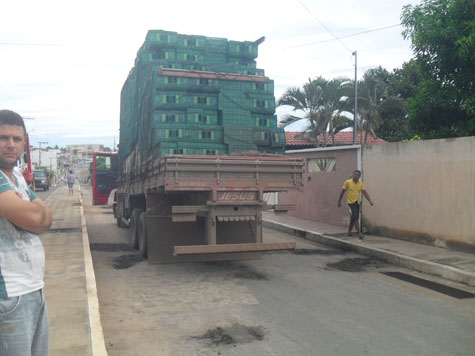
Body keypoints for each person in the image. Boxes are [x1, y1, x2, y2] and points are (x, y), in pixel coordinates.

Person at [0, 110, 52, 356]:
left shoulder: (17, 177)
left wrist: (30, 216)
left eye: (16, 139)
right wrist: (32, 216)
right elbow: (35, 217)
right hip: (9, 297)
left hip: (33, 289)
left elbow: (46, 219)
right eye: (3, 138)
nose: (10, 145)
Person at [337, 169, 373, 239]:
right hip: (350, 203)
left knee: (353, 218)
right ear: (353, 175)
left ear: (359, 176)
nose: (356, 176)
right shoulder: (348, 182)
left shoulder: (360, 184)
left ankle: (349, 232)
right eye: (355, 174)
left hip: (357, 203)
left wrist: (369, 200)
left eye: (358, 175)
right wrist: (339, 201)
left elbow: (364, 192)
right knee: (355, 217)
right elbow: (342, 192)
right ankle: (359, 233)